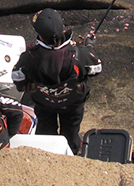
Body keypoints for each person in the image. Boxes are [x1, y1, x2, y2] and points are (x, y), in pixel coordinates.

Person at [11, 8, 102, 154]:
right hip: (72, 105)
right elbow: (96, 69)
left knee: (45, 131)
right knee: (71, 131)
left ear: (40, 35)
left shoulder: (28, 58)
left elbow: (18, 79)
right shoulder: (81, 55)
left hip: (44, 105)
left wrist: (25, 87)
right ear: (63, 28)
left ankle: (47, 155)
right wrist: (89, 46)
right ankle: (70, 151)